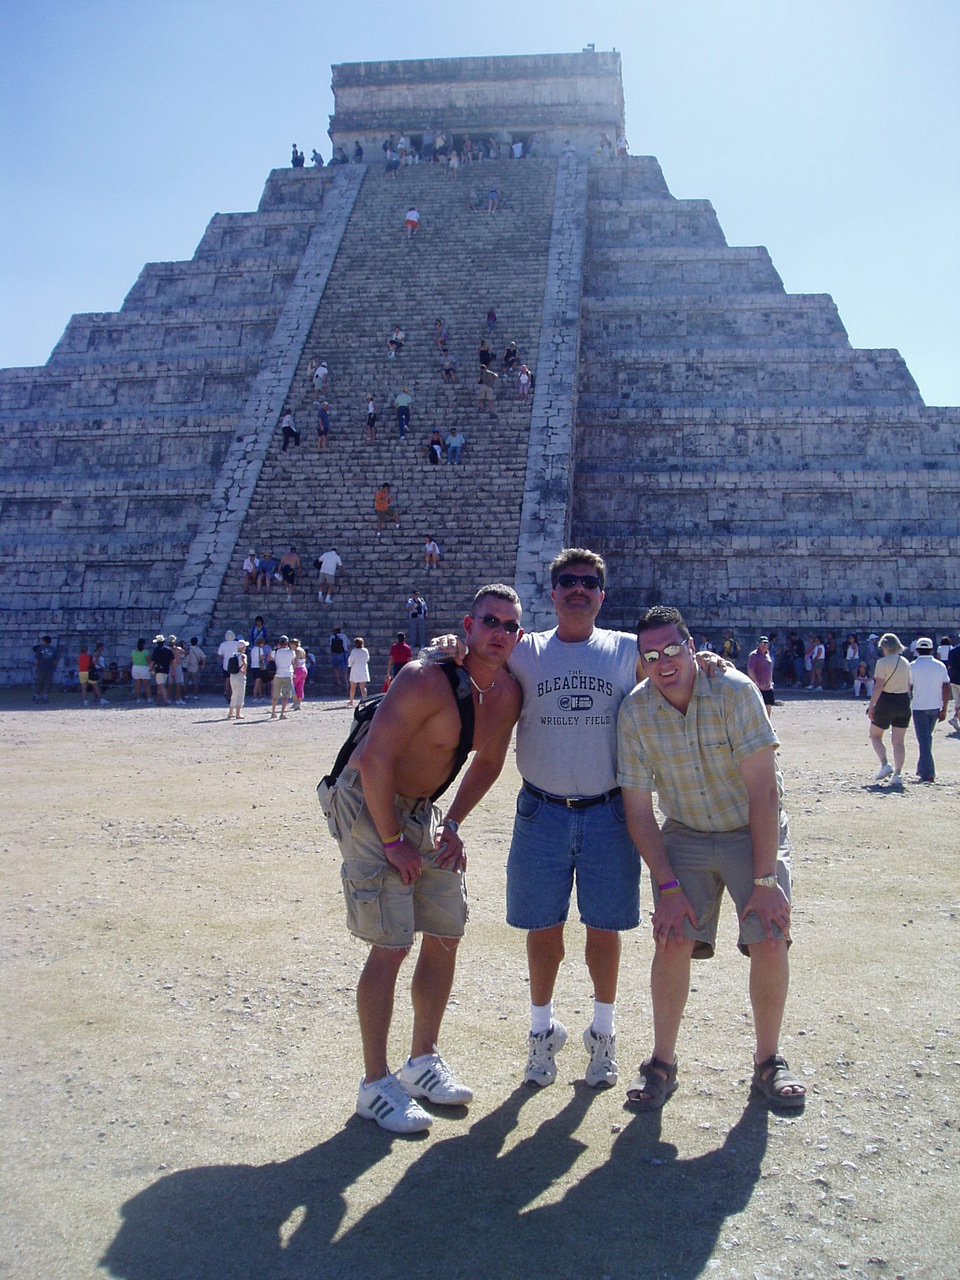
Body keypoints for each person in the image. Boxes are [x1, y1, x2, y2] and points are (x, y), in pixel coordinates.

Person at [323, 584, 523, 1133]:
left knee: (445, 929)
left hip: (423, 808)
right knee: (392, 941)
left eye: (510, 625)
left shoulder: (507, 693)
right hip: (369, 802)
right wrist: (391, 842)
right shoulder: (424, 678)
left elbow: (488, 762)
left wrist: (453, 822)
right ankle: (374, 1083)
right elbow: (373, 760)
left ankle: (422, 1061)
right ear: (468, 624)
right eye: (490, 622)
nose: (499, 633)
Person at [615, 604, 804, 1111]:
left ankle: (769, 1061)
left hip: (751, 827)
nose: (664, 661)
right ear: (642, 660)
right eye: (651, 654)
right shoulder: (635, 713)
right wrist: (668, 888)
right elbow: (638, 812)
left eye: (673, 648)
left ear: (692, 645)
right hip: (687, 832)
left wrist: (765, 883)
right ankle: (662, 1063)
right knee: (671, 938)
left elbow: (764, 792)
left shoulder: (735, 690)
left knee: (769, 936)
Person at [866, 633, 911, 783]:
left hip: (886, 700)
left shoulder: (882, 662)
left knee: (875, 735)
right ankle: (898, 774)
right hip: (903, 700)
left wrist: (871, 705)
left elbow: (879, 686)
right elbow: (908, 685)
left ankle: (885, 763)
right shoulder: (905, 662)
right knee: (898, 741)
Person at [908, 638, 951, 782]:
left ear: (917, 650)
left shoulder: (912, 666)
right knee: (927, 739)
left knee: (924, 740)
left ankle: (928, 772)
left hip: (919, 706)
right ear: (932, 650)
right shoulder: (940, 666)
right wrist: (944, 708)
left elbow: (909, 688)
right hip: (935, 706)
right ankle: (922, 769)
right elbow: (946, 687)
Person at [747, 636, 775, 717]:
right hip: (758, 687)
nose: (765, 645)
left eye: (766, 643)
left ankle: (768, 727)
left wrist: (771, 682)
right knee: (758, 708)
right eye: (763, 643)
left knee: (768, 707)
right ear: (758, 644)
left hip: (768, 686)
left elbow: (769, 670)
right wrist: (756, 682)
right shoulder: (754, 655)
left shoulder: (768, 654)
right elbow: (750, 670)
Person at [270, 636, 296, 719]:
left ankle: (273, 712)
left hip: (278, 674)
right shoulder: (291, 652)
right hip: (287, 674)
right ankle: (282, 713)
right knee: (286, 695)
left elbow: (271, 658)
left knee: (275, 695)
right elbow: (293, 660)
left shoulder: (275, 652)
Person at [32, 635, 60, 703]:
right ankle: (45, 697)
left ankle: (36, 696)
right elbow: (56, 660)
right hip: (50, 668)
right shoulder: (53, 649)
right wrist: (54, 667)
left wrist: (36, 667)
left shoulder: (40, 649)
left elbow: (37, 660)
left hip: (41, 668)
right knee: (47, 683)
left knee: (39, 683)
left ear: (44, 641)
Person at [226, 640, 248, 720]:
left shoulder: (234, 655)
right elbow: (245, 664)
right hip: (240, 675)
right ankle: (238, 713)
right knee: (240, 694)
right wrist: (244, 671)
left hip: (233, 675)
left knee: (234, 694)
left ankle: (230, 712)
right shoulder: (243, 656)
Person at [347, 636, 371, 706]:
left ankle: (351, 701)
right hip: (363, 669)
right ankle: (364, 701)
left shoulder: (354, 651)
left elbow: (350, 660)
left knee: (353, 686)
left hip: (355, 669)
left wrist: (349, 666)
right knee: (363, 687)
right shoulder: (365, 650)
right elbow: (367, 659)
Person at [150, 635, 173, 706]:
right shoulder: (169, 650)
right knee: (160, 685)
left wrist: (150, 669)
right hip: (166, 669)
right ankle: (158, 701)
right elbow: (173, 660)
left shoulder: (156, 650)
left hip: (158, 669)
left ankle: (166, 701)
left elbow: (153, 661)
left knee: (161, 685)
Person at [217, 630, 239, 699]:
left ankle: (227, 694)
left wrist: (225, 655)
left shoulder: (223, 644)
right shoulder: (237, 643)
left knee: (227, 680)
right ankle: (234, 695)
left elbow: (220, 656)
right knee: (235, 680)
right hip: (235, 664)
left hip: (226, 664)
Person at [130, 638, 151, 702]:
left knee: (137, 684)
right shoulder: (146, 652)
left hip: (135, 667)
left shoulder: (133, 652)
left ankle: (138, 698)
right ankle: (149, 698)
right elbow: (148, 661)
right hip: (144, 668)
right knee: (146, 684)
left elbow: (132, 660)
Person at [330, 625, 350, 694]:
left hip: (336, 653)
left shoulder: (332, 637)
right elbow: (348, 645)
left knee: (335, 667)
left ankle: (339, 681)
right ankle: (346, 682)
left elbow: (331, 646)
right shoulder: (344, 636)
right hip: (344, 653)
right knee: (345, 669)